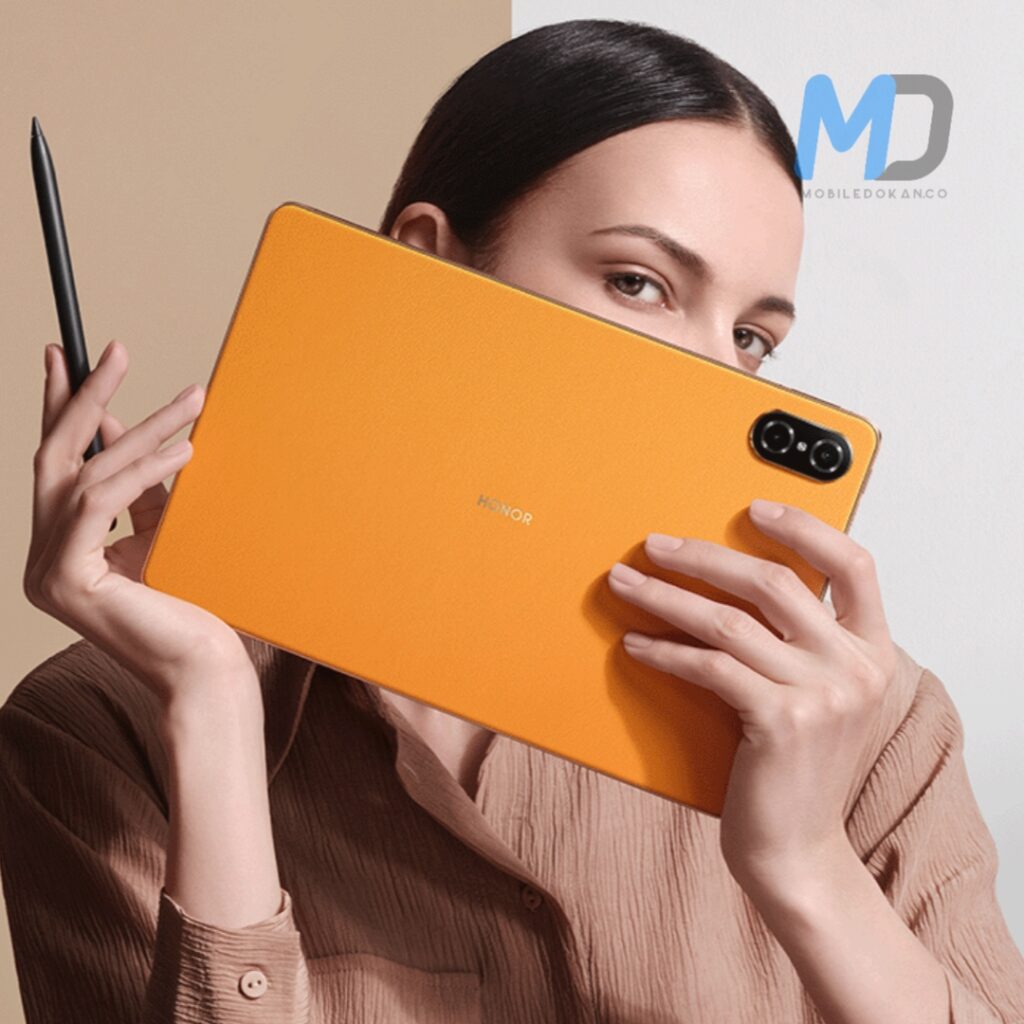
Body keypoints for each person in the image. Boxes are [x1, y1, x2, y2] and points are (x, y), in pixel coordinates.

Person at [2, 17, 1022, 1024]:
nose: (716, 372)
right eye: (639, 284)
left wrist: (806, 867)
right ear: (426, 265)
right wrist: (213, 711)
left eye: (752, 337)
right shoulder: (101, 731)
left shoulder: (867, 730)